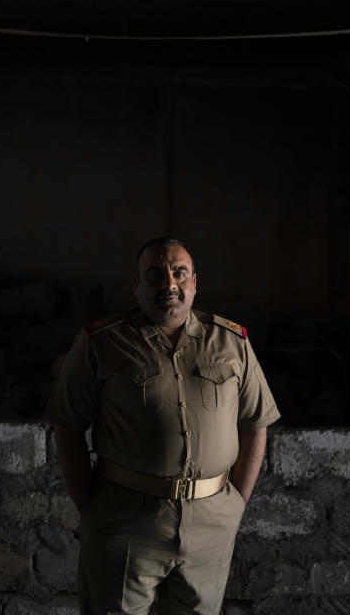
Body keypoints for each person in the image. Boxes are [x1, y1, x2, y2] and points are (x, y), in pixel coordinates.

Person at [44, 237, 280, 615]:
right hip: (125, 521)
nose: (169, 283)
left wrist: (236, 502)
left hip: (211, 524)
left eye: (179, 273)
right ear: (136, 284)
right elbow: (67, 426)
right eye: (156, 274)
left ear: (194, 282)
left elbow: (256, 424)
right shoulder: (102, 344)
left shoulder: (232, 343)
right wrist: (89, 504)